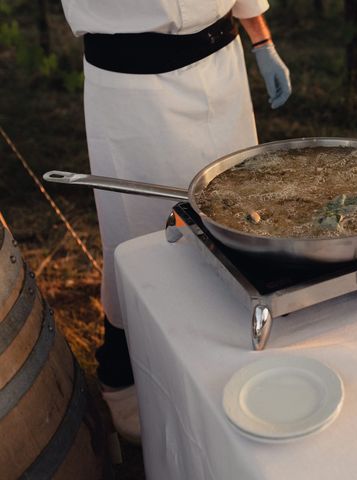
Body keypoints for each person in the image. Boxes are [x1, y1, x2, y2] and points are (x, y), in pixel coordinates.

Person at [60, 0, 291, 444]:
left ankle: (222, 357)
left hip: (221, 67)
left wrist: (261, 38)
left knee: (235, 220)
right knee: (144, 236)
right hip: (134, 85)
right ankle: (122, 368)